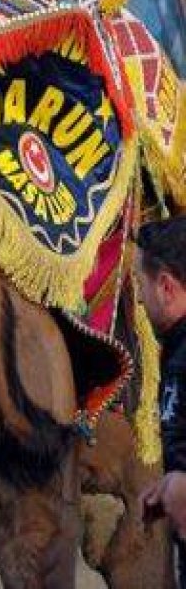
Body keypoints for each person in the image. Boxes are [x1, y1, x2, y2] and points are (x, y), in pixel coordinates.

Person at [135, 217, 186, 584]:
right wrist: (170, 483)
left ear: (166, 287)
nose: (139, 298)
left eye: (141, 285)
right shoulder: (176, 348)